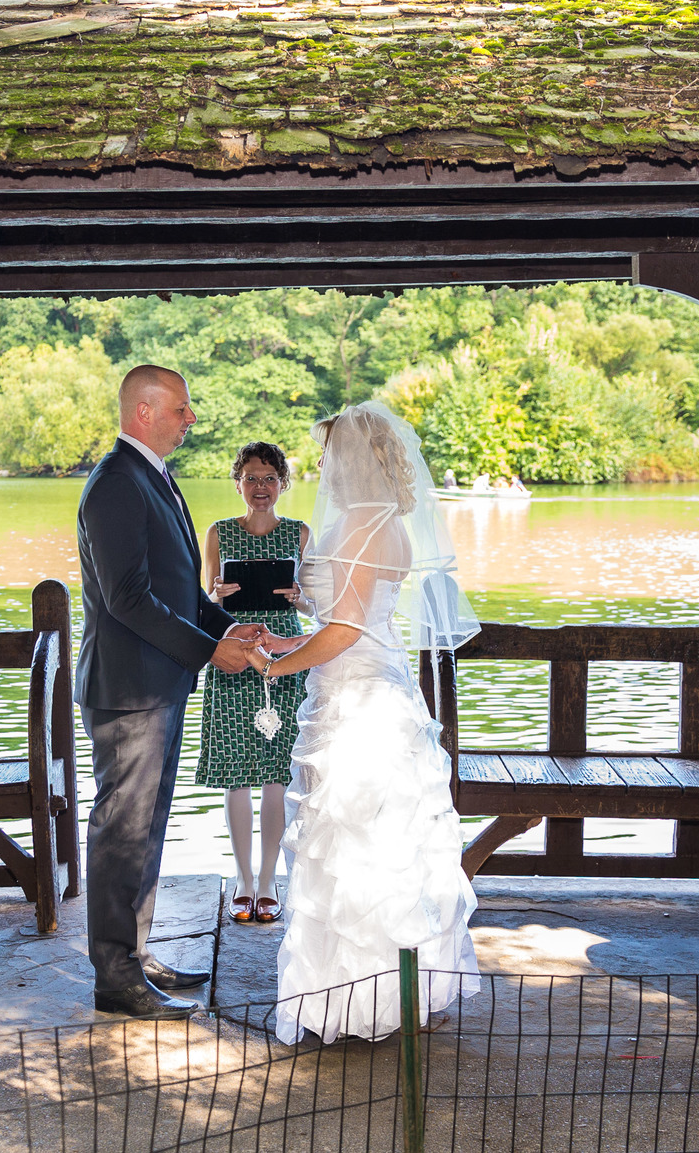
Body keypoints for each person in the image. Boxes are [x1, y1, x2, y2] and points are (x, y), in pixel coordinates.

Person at [248, 402, 482, 1043]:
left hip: (360, 700)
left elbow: (347, 630)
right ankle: (396, 992)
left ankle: (354, 1001)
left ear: (351, 457)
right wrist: (289, 632)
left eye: (327, 454)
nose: (321, 465)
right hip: (375, 687)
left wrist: (280, 664)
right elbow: (347, 613)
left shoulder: (360, 524)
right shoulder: (389, 522)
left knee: (353, 843)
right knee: (385, 844)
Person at [75, 364, 269, 1020]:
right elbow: (130, 598)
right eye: (182, 410)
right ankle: (114, 976)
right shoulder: (113, 486)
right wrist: (212, 650)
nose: (192, 420)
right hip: (128, 689)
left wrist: (224, 625)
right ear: (145, 412)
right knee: (121, 831)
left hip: (160, 683)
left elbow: (179, 590)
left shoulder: (155, 478)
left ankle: (134, 950)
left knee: (149, 826)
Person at [198, 442, 310, 927]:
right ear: (238, 483)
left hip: (284, 657)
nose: (260, 487)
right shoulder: (219, 533)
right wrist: (214, 593)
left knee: (276, 776)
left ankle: (269, 884)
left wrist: (300, 597)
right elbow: (202, 604)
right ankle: (243, 882)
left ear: (282, 483)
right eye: (251, 477)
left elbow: (316, 610)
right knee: (236, 772)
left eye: (269, 478)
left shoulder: (300, 533)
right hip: (233, 656)